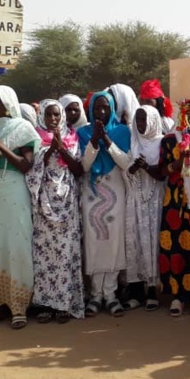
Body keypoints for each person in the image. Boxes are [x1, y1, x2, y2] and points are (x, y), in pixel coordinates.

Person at [0, 86, 40, 329]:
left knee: (17, 245)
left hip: (15, 191)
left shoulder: (22, 128)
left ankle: (19, 305)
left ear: (9, 102)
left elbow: (25, 165)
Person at [27, 99, 85, 322]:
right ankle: (46, 303)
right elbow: (30, 172)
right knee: (44, 254)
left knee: (66, 253)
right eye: (49, 115)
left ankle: (64, 303)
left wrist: (61, 149)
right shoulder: (34, 137)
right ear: (42, 115)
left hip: (67, 201)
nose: (53, 119)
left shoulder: (72, 137)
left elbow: (79, 169)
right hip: (43, 201)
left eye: (56, 115)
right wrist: (48, 150)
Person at [78, 91, 131, 317]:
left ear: (111, 109)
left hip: (115, 192)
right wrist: (93, 140)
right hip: (92, 192)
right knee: (94, 242)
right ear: (90, 110)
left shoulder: (121, 131)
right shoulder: (83, 132)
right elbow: (85, 166)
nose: (101, 112)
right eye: (97, 108)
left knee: (113, 241)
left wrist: (107, 140)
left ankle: (110, 293)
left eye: (105, 108)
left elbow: (125, 163)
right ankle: (95, 295)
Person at [159, 101, 190, 317]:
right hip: (174, 200)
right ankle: (177, 296)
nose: (189, 122)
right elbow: (162, 170)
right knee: (174, 246)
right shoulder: (169, 141)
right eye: (186, 117)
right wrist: (177, 164)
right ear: (180, 119)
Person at [124, 106, 166, 311]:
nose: (140, 124)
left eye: (144, 120)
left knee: (153, 241)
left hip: (155, 198)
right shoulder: (133, 141)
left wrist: (146, 167)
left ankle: (153, 290)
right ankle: (136, 290)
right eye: (138, 120)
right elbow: (127, 172)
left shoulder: (162, 142)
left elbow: (163, 174)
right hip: (136, 199)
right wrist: (133, 167)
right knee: (136, 241)